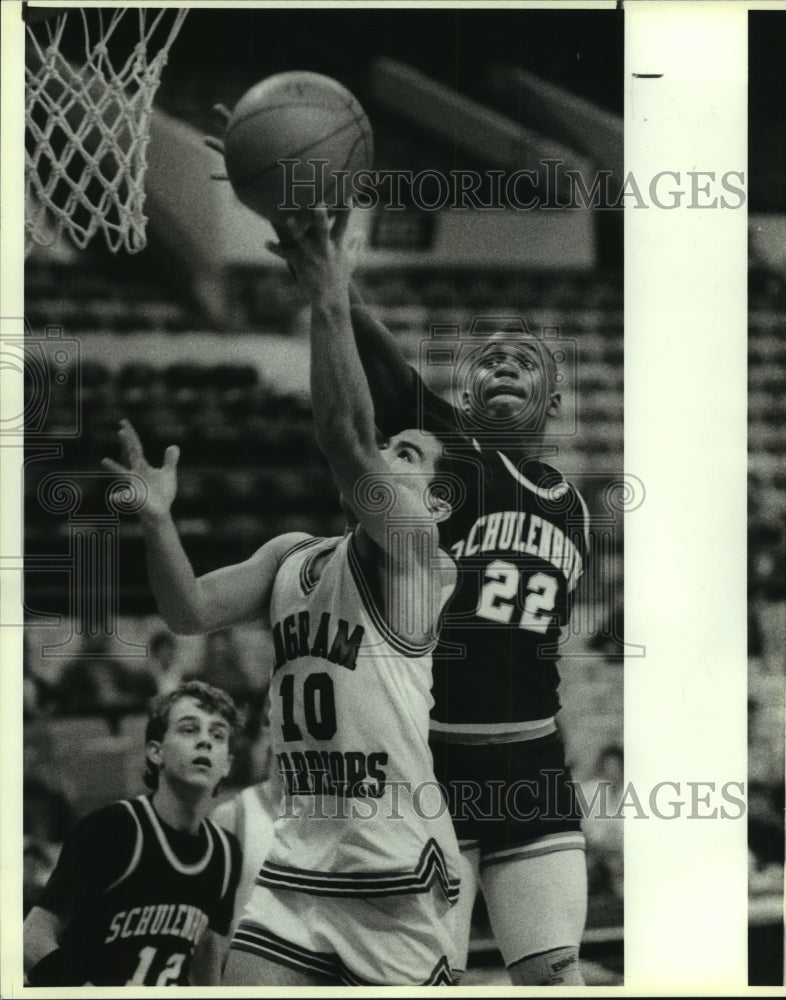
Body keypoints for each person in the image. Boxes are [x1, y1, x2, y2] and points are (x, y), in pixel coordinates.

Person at [99, 207, 469, 986]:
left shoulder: (417, 556)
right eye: (391, 446)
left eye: (408, 454)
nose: (387, 456)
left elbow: (345, 437)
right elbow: (188, 611)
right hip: (301, 858)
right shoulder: (292, 558)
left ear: (433, 504)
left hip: (396, 868)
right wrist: (159, 523)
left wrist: (331, 298)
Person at [348, 257, 592, 984]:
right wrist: (334, 284)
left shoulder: (575, 506)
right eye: (489, 362)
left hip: (533, 766)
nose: (505, 366)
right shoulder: (457, 456)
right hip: (430, 764)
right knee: (425, 978)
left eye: (524, 361)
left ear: (553, 404)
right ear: (466, 396)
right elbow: (390, 382)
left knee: (553, 973)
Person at [23, 680, 243, 986]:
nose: (205, 741)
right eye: (189, 729)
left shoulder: (225, 852)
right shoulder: (114, 829)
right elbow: (33, 936)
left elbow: (205, 954)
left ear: (227, 765)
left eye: (218, 735)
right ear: (156, 752)